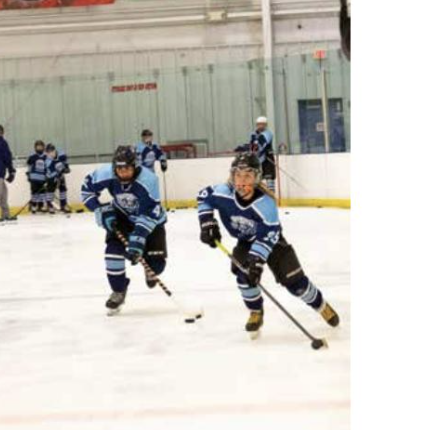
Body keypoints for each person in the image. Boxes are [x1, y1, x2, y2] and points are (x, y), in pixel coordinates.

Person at [197, 153, 339, 338]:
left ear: (257, 177)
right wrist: (207, 222)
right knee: (243, 276)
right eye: (238, 175)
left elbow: (266, 238)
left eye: (247, 175)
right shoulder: (223, 192)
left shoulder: (266, 205)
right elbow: (203, 197)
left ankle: (321, 306)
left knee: (296, 284)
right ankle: (256, 312)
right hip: (246, 242)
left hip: (273, 242)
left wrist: (256, 261)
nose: (241, 181)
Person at [81, 145, 168, 313]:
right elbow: (87, 191)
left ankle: (149, 269)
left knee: (157, 267)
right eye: (119, 169)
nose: (123, 173)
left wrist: (137, 242)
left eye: (127, 168)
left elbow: (149, 213)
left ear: (134, 166)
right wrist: (100, 210)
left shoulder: (149, 180)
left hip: (151, 222)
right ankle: (118, 290)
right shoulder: (106, 173)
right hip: (121, 217)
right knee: (112, 253)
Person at [238, 116, 276, 189]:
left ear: (265, 125)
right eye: (258, 124)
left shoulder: (268, 134)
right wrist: (242, 148)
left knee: (269, 178)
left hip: (267, 159)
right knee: (256, 179)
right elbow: (252, 145)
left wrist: (248, 148)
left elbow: (260, 145)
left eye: (262, 124)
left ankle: (271, 196)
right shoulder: (253, 134)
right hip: (257, 159)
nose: (260, 126)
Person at [44, 143, 71, 214]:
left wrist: (66, 168)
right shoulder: (47, 161)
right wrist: (57, 174)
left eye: (52, 151)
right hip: (51, 176)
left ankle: (63, 205)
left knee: (63, 188)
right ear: (46, 153)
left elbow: (65, 163)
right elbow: (52, 171)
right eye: (48, 153)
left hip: (60, 175)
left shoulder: (61, 155)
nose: (51, 154)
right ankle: (49, 205)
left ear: (54, 150)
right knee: (50, 190)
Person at [25, 140, 51, 214]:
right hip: (34, 178)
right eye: (37, 146)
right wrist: (28, 174)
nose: (39, 148)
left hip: (42, 178)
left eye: (40, 146)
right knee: (34, 192)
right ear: (35, 147)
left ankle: (41, 205)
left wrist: (48, 176)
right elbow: (29, 166)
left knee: (42, 192)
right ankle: (34, 205)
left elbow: (48, 167)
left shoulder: (46, 157)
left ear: (43, 147)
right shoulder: (32, 157)